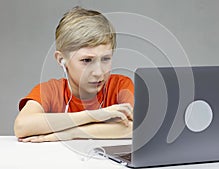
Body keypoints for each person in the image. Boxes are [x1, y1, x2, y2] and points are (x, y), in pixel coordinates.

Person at [14, 6, 134, 143]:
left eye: (106, 59)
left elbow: (136, 128)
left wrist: (71, 133)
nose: (99, 72)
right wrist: (94, 115)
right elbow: (22, 126)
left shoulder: (120, 86)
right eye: (87, 60)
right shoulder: (50, 90)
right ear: (61, 60)